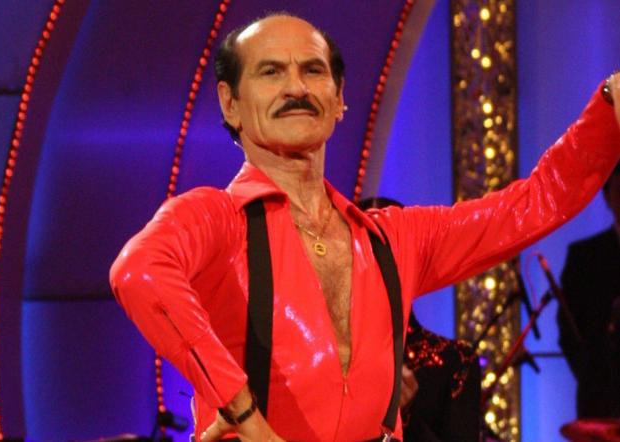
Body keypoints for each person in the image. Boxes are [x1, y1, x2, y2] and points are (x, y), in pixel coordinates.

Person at [109, 13, 620, 442]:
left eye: (313, 70)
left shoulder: (393, 239)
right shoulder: (215, 218)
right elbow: (138, 273)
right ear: (230, 104)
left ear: (339, 100)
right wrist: (246, 414)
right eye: (270, 72)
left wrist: (607, 108)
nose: (296, 88)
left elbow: (535, 202)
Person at [358, 197, 481, 442]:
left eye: (386, 249)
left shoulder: (455, 362)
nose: (376, 264)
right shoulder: (319, 355)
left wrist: (406, 416)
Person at [558, 162, 620, 419]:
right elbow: (568, 328)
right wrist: (591, 373)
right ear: (607, 196)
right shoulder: (584, 256)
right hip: (600, 399)